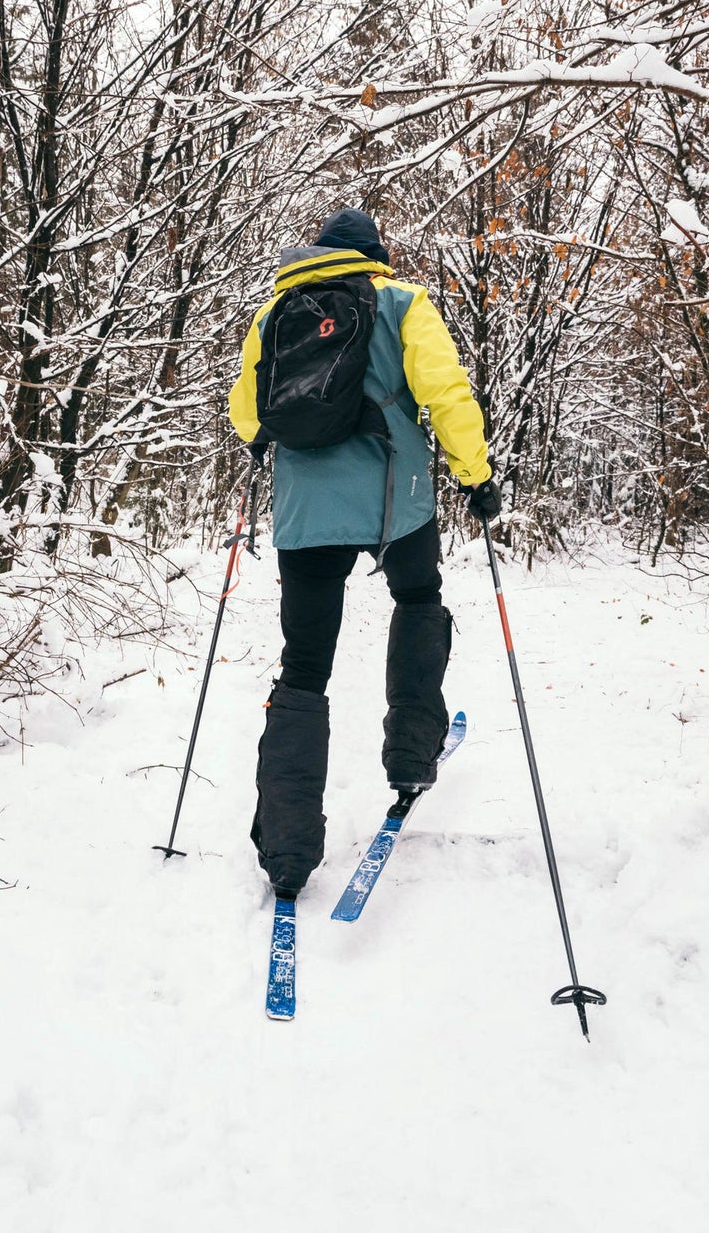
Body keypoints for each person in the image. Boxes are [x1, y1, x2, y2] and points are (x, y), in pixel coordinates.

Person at [228, 207, 500, 900]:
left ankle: (287, 847)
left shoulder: (276, 311)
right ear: (377, 255)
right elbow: (446, 393)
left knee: (305, 664)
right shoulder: (404, 303)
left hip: (304, 508)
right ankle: (411, 753)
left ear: (319, 252)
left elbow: (247, 414)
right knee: (417, 599)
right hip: (395, 499)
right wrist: (477, 476)